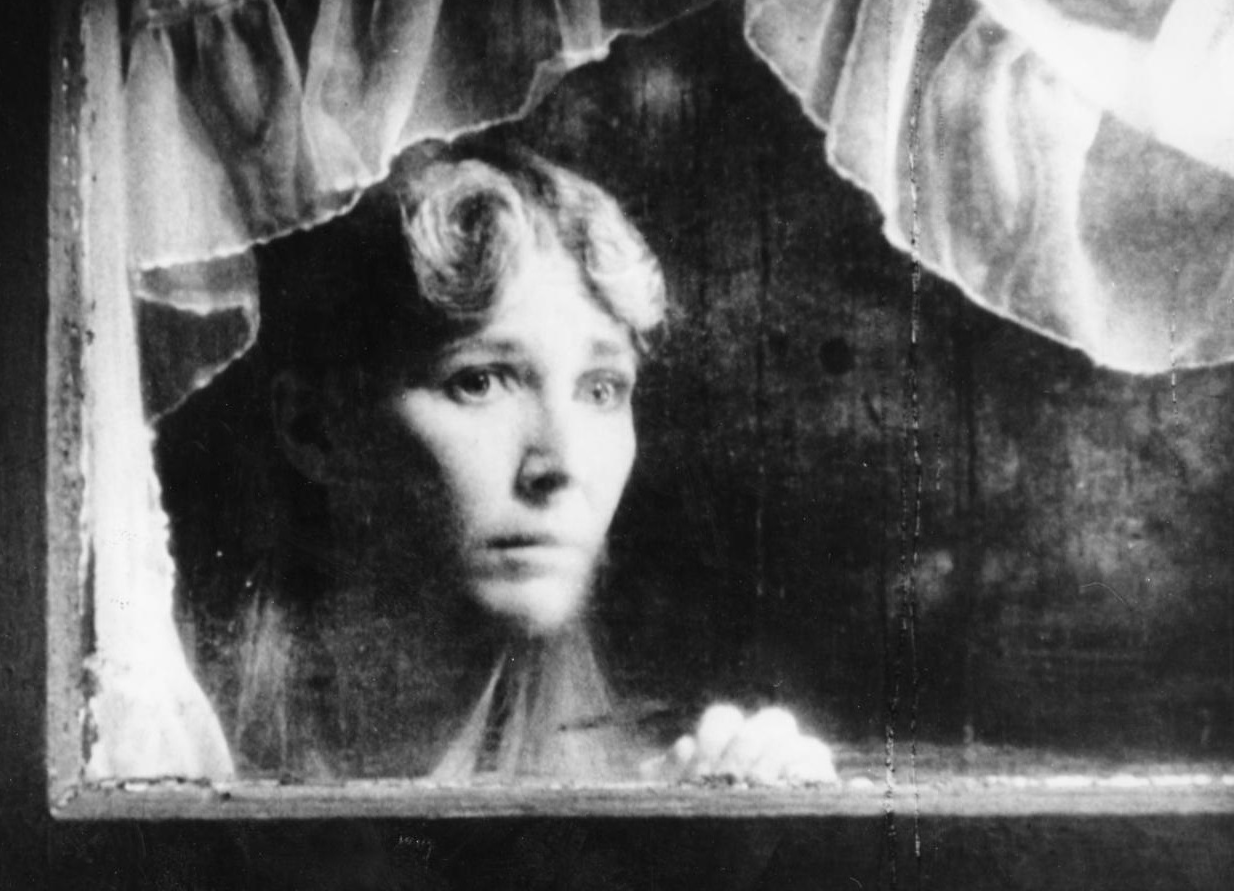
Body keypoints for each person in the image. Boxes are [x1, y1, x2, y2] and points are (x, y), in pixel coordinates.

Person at [228, 138, 834, 784]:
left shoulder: (644, 778)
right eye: (478, 381)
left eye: (601, 390)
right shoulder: (189, 761)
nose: (560, 465)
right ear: (314, 429)